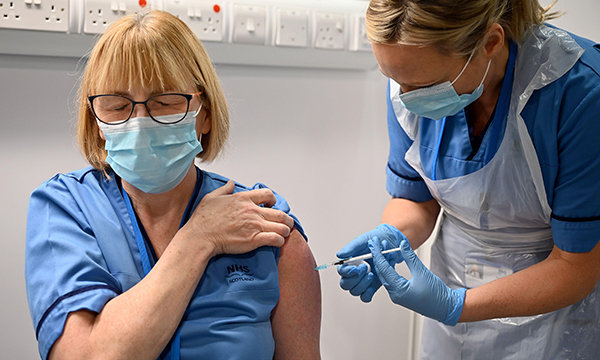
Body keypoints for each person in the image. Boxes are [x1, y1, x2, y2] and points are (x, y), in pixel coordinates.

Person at [25, 10, 321, 360]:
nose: (139, 122)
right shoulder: (65, 209)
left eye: (165, 103)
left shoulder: (266, 228)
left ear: (205, 113)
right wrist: (199, 238)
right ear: (97, 122)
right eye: (117, 106)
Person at [336, 0, 600, 359]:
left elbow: (576, 266)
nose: (408, 97)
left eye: (425, 84)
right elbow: (416, 200)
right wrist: (394, 238)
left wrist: (455, 305)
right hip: (454, 294)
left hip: (556, 316)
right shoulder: (408, 81)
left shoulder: (580, 93)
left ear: (491, 42)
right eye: (397, 81)